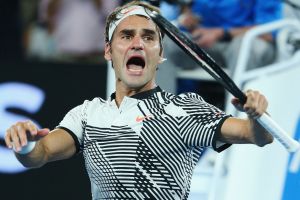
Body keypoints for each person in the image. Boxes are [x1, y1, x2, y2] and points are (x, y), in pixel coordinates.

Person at [5, 1, 273, 199]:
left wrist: (257, 115)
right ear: (109, 51)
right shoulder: (86, 114)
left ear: (160, 53)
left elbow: (258, 136)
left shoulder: (185, 109)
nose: (137, 44)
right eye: (126, 36)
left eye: (148, 37)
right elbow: (41, 154)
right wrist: (26, 145)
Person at [162, 0, 282, 73]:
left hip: (251, 44)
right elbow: (192, 14)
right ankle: (156, 107)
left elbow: (267, 33)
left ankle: (242, 111)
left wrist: (220, 33)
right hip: (211, 47)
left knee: (242, 46)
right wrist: (189, 20)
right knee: (161, 39)